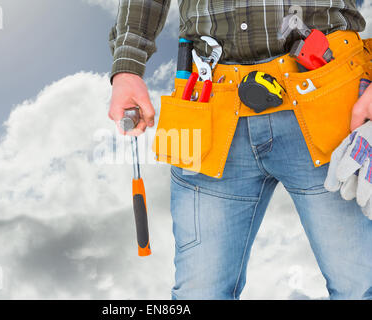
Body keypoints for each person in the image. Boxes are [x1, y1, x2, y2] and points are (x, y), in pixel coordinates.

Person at [108, 0, 372, 299]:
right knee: (198, 295)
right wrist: (127, 69)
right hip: (205, 102)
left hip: (333, 97)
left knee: (361, 287)